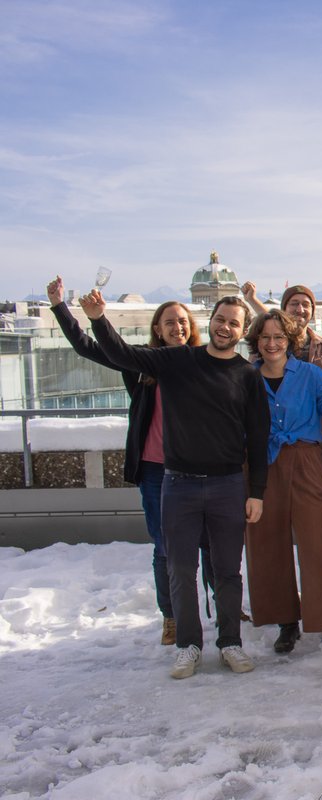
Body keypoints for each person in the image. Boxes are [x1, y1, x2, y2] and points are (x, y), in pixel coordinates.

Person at [82, 291, 268, 679]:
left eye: (235, 322)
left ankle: (230, 642)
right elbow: (124, 356)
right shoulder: (179, 360)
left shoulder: (247, 374)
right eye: (221, 319)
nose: (226, 326)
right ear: (210, 320)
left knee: (227, 571)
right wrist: (99, 319)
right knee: (180, 569)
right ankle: (188, 646)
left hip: (228, 485)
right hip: (179, 484)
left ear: (241, 330)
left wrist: (256, 493)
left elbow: (258, 436)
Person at [47, 277, 203, 646]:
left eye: (182, 321)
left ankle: (223, 608)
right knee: (165, 546)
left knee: (206, 544)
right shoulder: (141, 364)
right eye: (169, 322)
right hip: (154, 469)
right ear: (157, 330)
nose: (177, 327)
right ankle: (172, 616)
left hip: (198, 468)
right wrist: (60, 308)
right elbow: (89, 348)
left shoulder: (203, 363)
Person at [244, 309, 322, 656]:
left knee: (315, 543)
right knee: (266, 543)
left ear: (290, 341)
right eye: (265, 337)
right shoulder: (246, 377)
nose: (272, 343)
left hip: (306, 459)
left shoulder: (310, 373)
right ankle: (285, 621)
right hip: (264, 463)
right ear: (256, 342)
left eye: (279, 337)